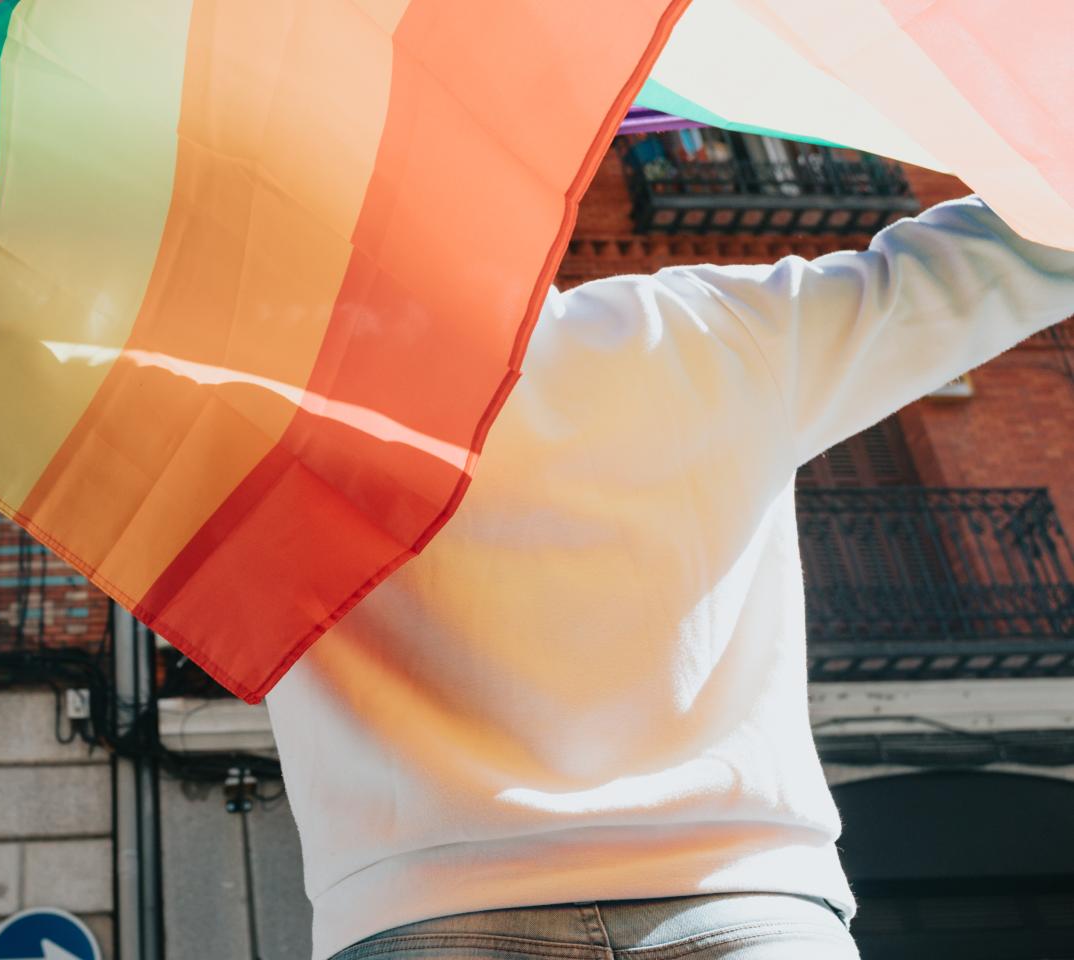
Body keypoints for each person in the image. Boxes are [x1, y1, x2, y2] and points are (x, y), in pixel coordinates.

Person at [263, 196, 1074, 960]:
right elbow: (1017, 249)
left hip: (422, 913)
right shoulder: (706, 326)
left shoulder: (261, 403)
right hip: (744, 898)